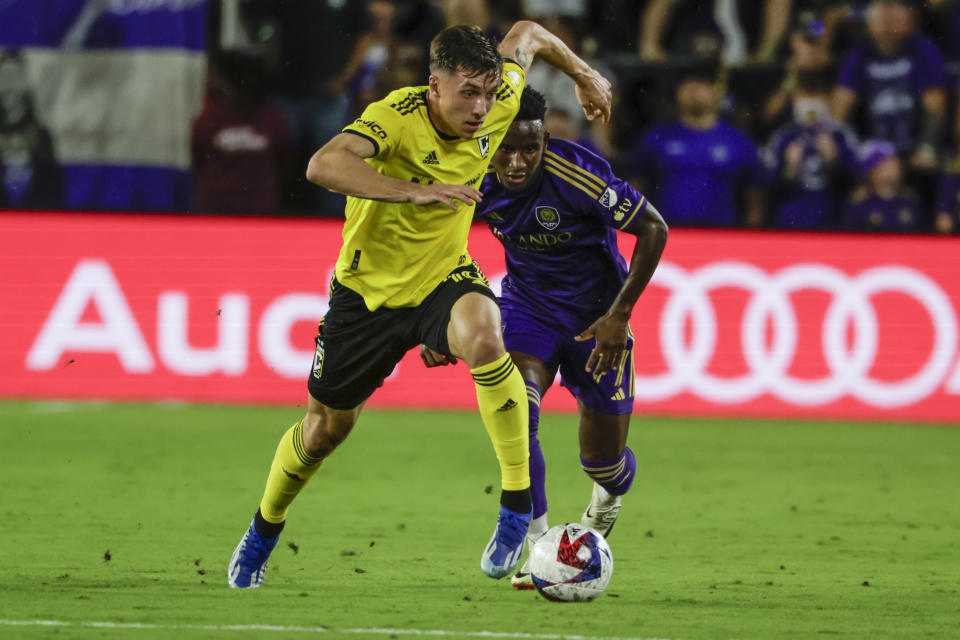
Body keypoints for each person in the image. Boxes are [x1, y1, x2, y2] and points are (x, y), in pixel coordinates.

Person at [227, 22, 613, 589]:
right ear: (434, 86)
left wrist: (584, 75)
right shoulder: (396, 115)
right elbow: (322, 165)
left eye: (487, 92)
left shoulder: (500, 98)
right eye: (467, 93)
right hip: (367, 294)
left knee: (486, 335)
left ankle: (514, 508)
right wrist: (414, 190)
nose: (482, 107)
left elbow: (527, 34)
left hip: (441, 277)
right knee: (323, 432)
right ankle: (263, 530)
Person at [420, 87, 668, 589]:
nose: (516, 161)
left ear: (544, 141)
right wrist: (436, 317)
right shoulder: (474, 175)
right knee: (519, 407)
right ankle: (536, 545)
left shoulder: (576, 172)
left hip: (597, 320)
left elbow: (654, 229)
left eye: (529, 148)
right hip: (527, 309)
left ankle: (607, 500)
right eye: (506, 148)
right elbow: (436, 245)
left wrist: (619, 316)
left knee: (604, 462)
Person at [630, 60, 765, 227]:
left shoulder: (738, 142)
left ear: (718, 93)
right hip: (667, 233)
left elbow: (755, 202)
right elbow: (635, 190)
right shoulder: (656, 138)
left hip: (723, 236)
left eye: (702, 84)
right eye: (687, 83)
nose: (694, 89)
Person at [831, 0, 947, 170]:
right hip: (870, 154)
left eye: (895, 6)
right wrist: (845, 150)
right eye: (880, 7)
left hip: (913, 152)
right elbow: (841, 105)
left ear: (910, 15)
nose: (887, 14)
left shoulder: (921, 48)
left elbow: (935, 103)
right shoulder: (859, 53)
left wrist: (927, 148)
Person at [762, 67, 858, 229]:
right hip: (790, 223)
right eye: (806, 95)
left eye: (816, 95)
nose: (811, 103)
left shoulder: (841, 134)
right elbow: (768, 188)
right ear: (794, 99)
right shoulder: (783, 137)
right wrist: (789, 169)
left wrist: (834, 161)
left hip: (833, 223)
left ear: (827, 98)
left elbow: (855, 185)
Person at [0, 49, 64, 210]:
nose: (8, 85)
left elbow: (54, 188)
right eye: (3, 77)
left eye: (13, 77)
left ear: (24, 83)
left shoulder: (41, 134)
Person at [843, 139, 923, 232]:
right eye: (886, 163)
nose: (894, 167)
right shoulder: (860, 205)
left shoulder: (910, 202)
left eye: (895, 162)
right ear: (872, 171)